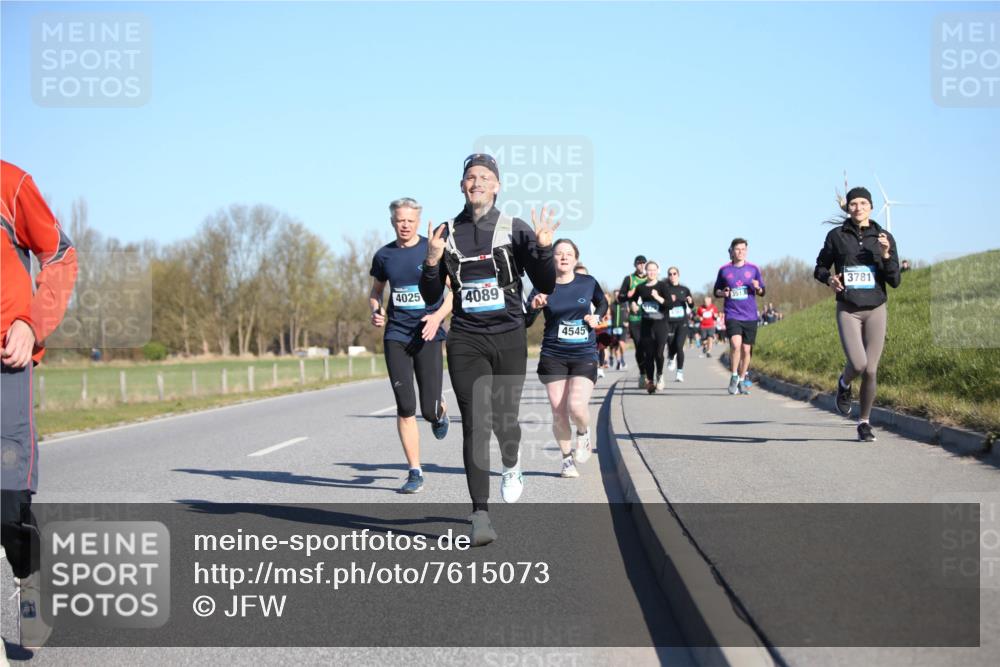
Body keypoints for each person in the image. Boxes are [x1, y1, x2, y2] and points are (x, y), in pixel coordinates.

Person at [419, 153, 557, 546]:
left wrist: (543, 250)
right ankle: (479, 513)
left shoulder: (516, 229)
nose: (476, 182)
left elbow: (546, 281)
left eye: (484, 177)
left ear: (496, 185)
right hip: (466, 338)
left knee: (504, 421)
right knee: (476, 423)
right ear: (461, 186)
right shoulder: (445, 233)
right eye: (470, 177)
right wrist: (431, 261)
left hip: (509, 335)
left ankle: (511, 463)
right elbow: (431, 295)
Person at [1, 160, 78, 652]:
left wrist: (31, 323)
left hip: (5, 362)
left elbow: (60, 255)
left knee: (7, 503)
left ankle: (31, 584)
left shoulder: (10, 183)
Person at [369, 197, 452, 494]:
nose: (405, 225)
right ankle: (415, 471)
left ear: (418, 221)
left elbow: (454, 293)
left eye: (410, 220)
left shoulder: (433, 250)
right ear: (392, 221)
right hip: (396, 335)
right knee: (405, 406)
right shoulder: (384, 256)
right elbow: (376, 292)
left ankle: (439, 411)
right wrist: (376, 311)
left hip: (428, 334)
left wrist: (438, 317)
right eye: (400, 220)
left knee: (428, 410)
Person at [814, 186, 901, 442]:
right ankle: (844, 383)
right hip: (848, 309)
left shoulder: (884, 237)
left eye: (863, 203)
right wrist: (829, 279)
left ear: (871, 207)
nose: (858, 207)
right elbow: (819, 267)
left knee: (871, 370)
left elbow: (895, 280)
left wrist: (886, 255)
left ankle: (864, 422)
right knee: (859, 364)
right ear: (848, 207)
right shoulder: (836, 236)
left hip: (876, 308)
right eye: (854, 203)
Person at [525, 239, 607, 478]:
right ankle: (567, 460)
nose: (563, 257)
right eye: (559, 253)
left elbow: (602, 303)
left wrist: (596, 317)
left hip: (584, 353)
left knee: (577, 407)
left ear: (575, 258)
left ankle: (583, 432)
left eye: (568, 253)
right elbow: (526, 320)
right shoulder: (542, 286)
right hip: (553, 355)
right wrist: (534, 306)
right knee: (559, 411)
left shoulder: (587, 282)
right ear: (552, 258)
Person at [714, 238, 765, 395]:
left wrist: (758, 288)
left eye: (743, 249)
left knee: (746, 349)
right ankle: (734, 375)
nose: (740, 252)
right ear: (732, 251)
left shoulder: (754, 269)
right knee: (736, 345)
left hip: (750, 315)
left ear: (746, 251)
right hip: (732, 313)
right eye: (737, 249)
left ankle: (742, 379)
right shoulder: (724, 270)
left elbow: (762, 291)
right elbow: (716, 291)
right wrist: (722, 293)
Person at [633, 261, 669, 393]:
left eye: (654, 270)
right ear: (645, 271)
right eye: (649, 270)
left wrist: (658, 297)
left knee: (659, 353)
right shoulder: (641, 287)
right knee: (648, 355)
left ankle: (659, 374)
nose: (651, 272)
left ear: (658, 271)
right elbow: (633, 300)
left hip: (660, 325)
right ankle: (650, 382)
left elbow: (670, 304)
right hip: (646, 325)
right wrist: (633, 305)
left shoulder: (662, 286)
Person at [662, 266, 694, 384]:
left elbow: (691, 305)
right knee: (671, 345)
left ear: (678, 275)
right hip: (669, 322)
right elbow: (661, 304)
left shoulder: (684, 289)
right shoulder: (664, 289)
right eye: (670, 274)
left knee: (679, 346)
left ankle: (680, 372)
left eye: (674, 273)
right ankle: (671, 357)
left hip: (682, 322)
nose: (672, 276)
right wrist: (668, 300)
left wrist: (690, 301)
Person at [608, 290, 629, 370]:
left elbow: (630, 313)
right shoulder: (612, 305)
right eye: (616, 295)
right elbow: (609, 315)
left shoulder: (625, 304)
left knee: (621, 343)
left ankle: (622, 357)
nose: (617, 296)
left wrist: (628, 322)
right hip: (614, 328)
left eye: (618, 295)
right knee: (615, 346)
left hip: (623, 327)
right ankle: (619, 361)